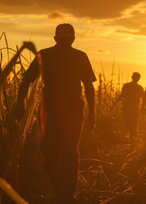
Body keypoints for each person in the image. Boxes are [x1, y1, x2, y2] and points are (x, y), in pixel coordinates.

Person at [14, 23, 96, 204]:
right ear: (55, 39)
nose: (65, 41)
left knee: (71, 154)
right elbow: (27, 80)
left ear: (73, 39)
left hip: (73, 112)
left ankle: (68, 196)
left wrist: (93, 112)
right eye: (61, 38)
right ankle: (61, 192)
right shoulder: (44, 55)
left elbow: (89, 85)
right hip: (49, 112)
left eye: (68, 38)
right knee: (49, 156)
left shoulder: (81, 57)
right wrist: (19, 103)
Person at [112, 72, 144, 146]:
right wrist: (114, 104)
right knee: (131, 124)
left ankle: (131, 141)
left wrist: (114, 105)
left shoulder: (132, 87)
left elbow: (143, 98)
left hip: (131, 108)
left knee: (131, 124)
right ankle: (130, 141)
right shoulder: (134, 87)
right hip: (129, 108)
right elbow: (122, 95)